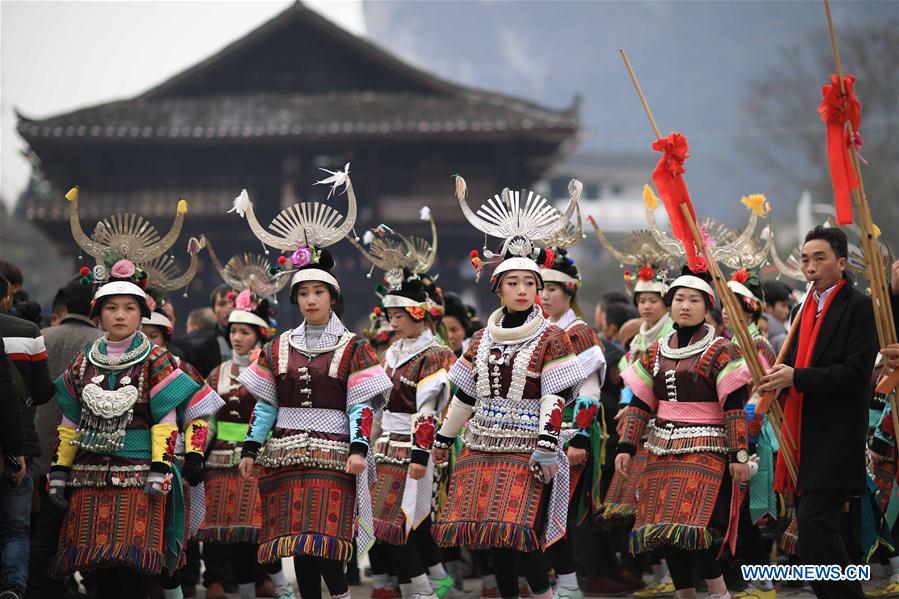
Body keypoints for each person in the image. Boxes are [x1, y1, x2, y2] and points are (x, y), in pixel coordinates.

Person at [234, 169, 393, 599]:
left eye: (318, 292)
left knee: (326, 543)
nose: (310, 299)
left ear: (333, 297)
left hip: (334, 453)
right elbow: (265, 404)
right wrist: (251, 446)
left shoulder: (354, 346)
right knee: (297, 544)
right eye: (303, 293)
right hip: (285, 454)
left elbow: (361, 404)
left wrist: (360, 448)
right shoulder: (278, 346)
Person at [432, 176, 586, 599]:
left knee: (522, 532)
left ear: (539, 289)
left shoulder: (552, 337)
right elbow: (465, 395)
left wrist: (547, 443)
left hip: (528, 444)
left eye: (530, 283)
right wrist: (444, 439)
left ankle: (544, 595)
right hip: (482, 443)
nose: (522, 290)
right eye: (513, 283)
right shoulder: (481, 339)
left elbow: (556, 395)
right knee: (490, 537)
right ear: (497, 287)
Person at [47, 260, 206, 599]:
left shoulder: (157, 360)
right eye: (111, 308)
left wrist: (161, 467)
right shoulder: (82, 360)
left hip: (139, 475)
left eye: (129, 308)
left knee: (134, 567)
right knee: (96, 570)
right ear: (98, 315)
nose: (120, 315)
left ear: (141, 315)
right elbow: (70, 420)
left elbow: (166, 420)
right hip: (89, 473)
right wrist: (60, 469)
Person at [616, 264, 752, 599]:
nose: (685, 306)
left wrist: (739, 454)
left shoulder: (722, 349)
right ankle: (685, 595)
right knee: (662, 530)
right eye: (679, 299)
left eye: (694, 300)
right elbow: (639, 402)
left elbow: (734, 406)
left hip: (706, 447)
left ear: (708, 307)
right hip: (661, 447)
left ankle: (720, 594)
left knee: (694, 527)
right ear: (670, 303)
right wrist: (626, 446)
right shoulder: (657, 349)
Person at [759, 226, 877, 599]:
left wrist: (797, 377)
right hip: (801, 435)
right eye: (806, 259)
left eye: (820, 257)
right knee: (817, 533)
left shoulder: (858, 307)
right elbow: (792, 368)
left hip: (837, 435)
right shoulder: (801, 309)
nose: (810, 266)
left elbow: (856, 373)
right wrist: (777, 381)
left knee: (814, 527)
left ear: (842, 263)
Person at [200, 284, 294, 599]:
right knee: (230, 534)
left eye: (245, 332)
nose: (237, 338)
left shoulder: (272, 371)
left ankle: (280, 586)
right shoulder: (217, 374)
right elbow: (207, 420)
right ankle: (245, 591)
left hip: (260, 459)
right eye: (234, 331)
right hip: (221, 464)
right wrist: (195, 454)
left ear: (260, 335)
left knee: (260, 530)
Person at [369, 268, 455, 599]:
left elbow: (428, 409)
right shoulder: (394, 352)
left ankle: (423, 590)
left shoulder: (434, 354)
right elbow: (380, 404)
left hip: (413, 448)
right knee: (393, 523)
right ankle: (427, 582)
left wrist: (421, 454)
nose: (393, 322)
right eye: (390, 316)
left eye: (399, 316)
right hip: (387, 446)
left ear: (417, 313)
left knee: (397, 522)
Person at [539, 247, 607, 599]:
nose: (545, 296)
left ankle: (568, 582)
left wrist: (579, 438)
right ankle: (552, 580)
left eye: (553, 289)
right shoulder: (536, 330)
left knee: (559, 509)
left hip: (570, 430)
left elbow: (590, 391)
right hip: (537, 431)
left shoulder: (578, 332)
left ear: (569, 292)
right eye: (541, 288)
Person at [30, 278, 102, 599]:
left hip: (40, 449)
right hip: (85, 451)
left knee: (42, 529)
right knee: (84, 527)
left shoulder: (41, 338)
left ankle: (41, 588)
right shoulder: (102, 343)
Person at [722, 270, 778, 599]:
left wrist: (746, 422)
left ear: (749, 307)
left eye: (732, 303)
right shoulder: (731, 343)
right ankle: (751, 579)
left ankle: (765, 582)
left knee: (752, 512)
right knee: (738, 511)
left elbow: (765, 393)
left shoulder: (758, 344)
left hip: (752, 435)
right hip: (734, 434)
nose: (725, 310)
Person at [0, 273, 54, 599]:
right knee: (16, 527)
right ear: (8, 298)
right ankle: (13, 587)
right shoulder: (28, 332)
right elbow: (43, 390)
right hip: (20, 440)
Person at [174, 285, 234, 377]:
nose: (229, 308)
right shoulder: (201, 347)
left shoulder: (258, 339)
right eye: (222, 304)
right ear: (213, 310)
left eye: (233, 302)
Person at [761, 281, 791, 354]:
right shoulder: (782, 338)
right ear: (768, 306)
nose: (787, 311)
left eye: (787, 306)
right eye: (783, 306)